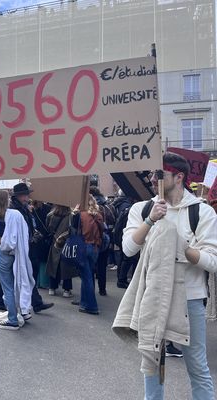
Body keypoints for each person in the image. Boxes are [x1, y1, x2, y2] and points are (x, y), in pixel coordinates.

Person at [117, 152, 217, 399]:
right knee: (152, 364)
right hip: (152, 296)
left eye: (159, 174)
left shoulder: (201, 212)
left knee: (196, 366)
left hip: (189, 299)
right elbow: (129, 249)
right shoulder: (142, 209)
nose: (152, 178)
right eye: (152, 173)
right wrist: (150, 221)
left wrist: (182, 247)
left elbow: (212, 262)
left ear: (179, 176)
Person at [0, 189, 33, 329]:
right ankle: (21, 311)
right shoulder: (14, 215)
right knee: (17, 284)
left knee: (7, 287)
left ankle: (12, 319)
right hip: (16, 253)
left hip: (2, 253)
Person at [10, 183, 54, 314]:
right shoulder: (16, 209)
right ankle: (35, 303)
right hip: (22, 246)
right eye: (26, 194)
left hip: (27, 245)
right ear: (20, 195)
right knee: (21, 276)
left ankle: (35, 302)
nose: (28, 197)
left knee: (22, 276)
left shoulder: (21, 208)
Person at [73, 195, 103, 315]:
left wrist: (74, 213)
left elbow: (74, 229)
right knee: (89, 275)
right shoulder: (99, 215)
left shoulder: (81, 215)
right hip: (95, 248)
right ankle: (84, 302)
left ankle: (92, 306)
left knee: (86, 277)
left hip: (84, 247)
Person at [45, 205, 76, 298]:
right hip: (67, 244)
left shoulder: (50, 215)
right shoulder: (71, 216)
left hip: (55, 244)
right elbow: (73, 230)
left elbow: (48, 229)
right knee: (66, 267)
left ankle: (52, 288)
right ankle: (66, 290)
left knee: (53, 265)